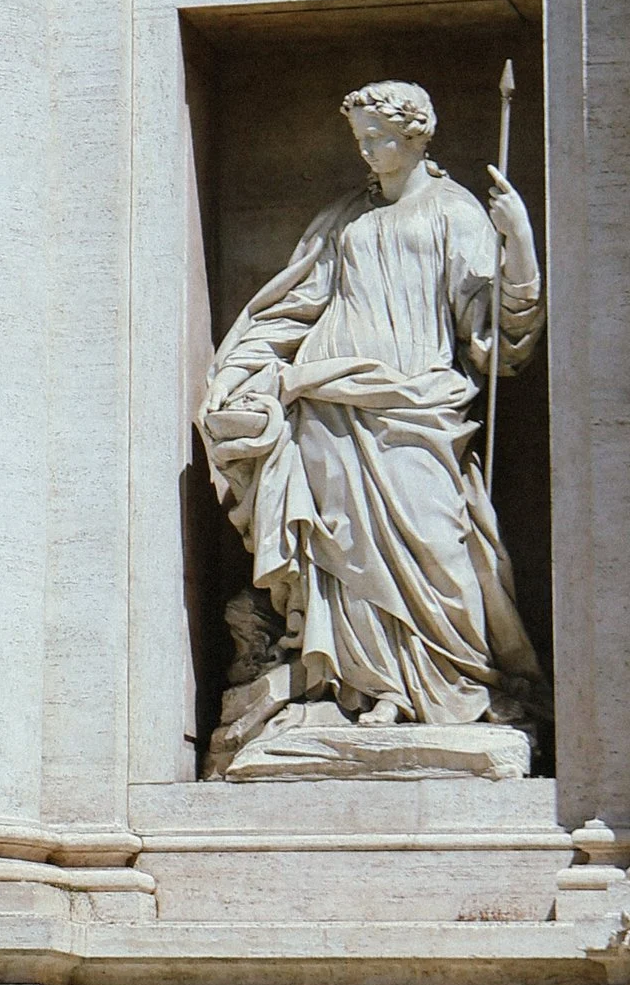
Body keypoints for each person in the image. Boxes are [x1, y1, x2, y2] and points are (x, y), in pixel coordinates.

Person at [197, 81, 542, 741]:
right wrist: (243, 368)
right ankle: (372, 688)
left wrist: (519, 242)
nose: (370, 150)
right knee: (346, 547)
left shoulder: (455, 212)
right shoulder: (342, 219)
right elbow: (296, 305)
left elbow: (493, 330)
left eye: (381, 137)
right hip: (330, 403)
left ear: (417, 137)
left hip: (419, 402)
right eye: (362, 139)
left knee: (435, 539)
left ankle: (454, 683)